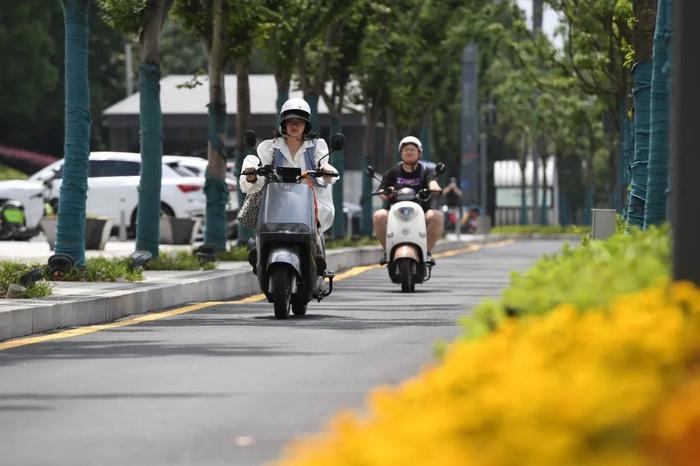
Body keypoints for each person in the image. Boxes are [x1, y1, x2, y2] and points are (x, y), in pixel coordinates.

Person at [239, 97, 339, 271]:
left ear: (306, 124)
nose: (295, 125)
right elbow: (258, 172)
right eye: (290, 121)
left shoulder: (318, 147)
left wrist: (325, 170)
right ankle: (259, 248)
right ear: (283, 124)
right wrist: (252, 175)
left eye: (299, 122)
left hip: (309, 198)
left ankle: (315, 251)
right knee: (266, 219)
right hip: (276, 200)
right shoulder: (268, 147)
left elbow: (324, 167)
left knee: (314, 216)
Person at [372, 136, 443, 265]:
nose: (409, 152)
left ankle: (425, 252)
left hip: (421, 213)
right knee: (379, 215)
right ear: (401, 153)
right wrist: (386, 192)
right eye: (405, 150)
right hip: (395, 213)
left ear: (419, 153)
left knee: (437, 217)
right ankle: (388, 252)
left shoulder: (426, 171)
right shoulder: (393, 172)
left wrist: (434, 186)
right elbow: (381, 191)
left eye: (412, 149)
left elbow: (432, 181)